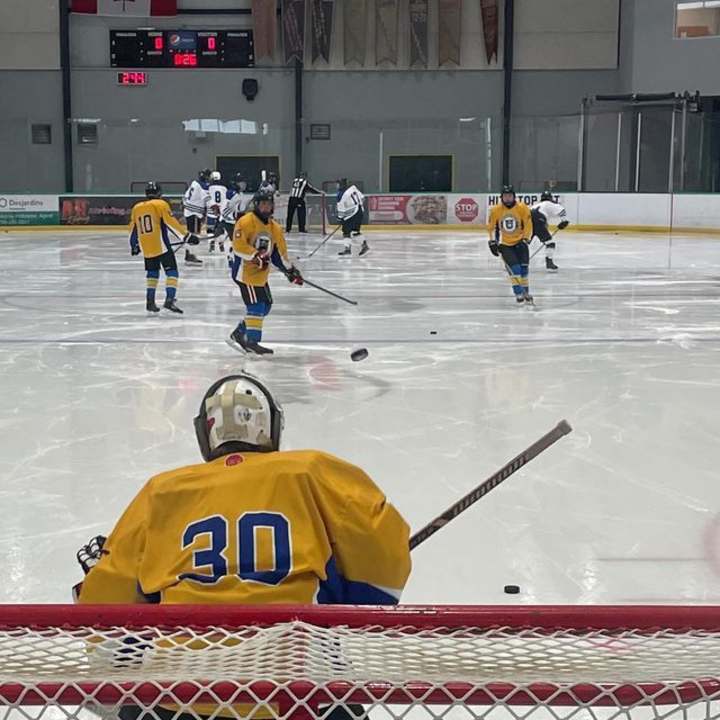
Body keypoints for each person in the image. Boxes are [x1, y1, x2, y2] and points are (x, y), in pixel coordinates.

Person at [76, 372, 411, 606]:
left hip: (184, 694)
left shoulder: (163, 491)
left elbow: (107, 620)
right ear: (272, 426)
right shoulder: (311, 471)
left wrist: (101, 581)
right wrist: (343, 592)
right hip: (297, 688)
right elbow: (384, 561)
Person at [227, 189, 304, 355]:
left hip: (260, 275)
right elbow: (238, 247)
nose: (265, 208)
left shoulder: (275, 228)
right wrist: (255, 255)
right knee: (256, 306)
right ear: (256, 205)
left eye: (268, 204)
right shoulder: (245, 222)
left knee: (266, 306)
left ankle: (240, 332)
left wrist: (290, 271)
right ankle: (251, 342)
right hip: (245, 273)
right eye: (262, 204)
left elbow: (278, 254)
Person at [129, 181, 200, 314]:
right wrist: (187, 237)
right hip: (161, 245)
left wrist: (134, 245)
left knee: (152, 273)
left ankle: (150, 301)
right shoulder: (161, 204)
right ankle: (169, 299)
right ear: (159, 193)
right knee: (172, 272)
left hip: (146, 246)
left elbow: (133, 228)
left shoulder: (137, 207)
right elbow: (171, 223)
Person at [487, 185, 534, 304]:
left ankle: (526, 291)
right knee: (515, 269)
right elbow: (491, 227)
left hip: (520, 242)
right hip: (505, 245)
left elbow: (528, 224)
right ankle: (518, 293)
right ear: (501, 197)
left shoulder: (522, 208)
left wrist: (526, 239)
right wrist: (492, 242)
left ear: (514, 197)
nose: (507, 198)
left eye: (510, 196)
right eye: (505, 196)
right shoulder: (495, 210)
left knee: (524, 269)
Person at [531, 190, 570, 272]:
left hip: (528, 219)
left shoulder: (535, 205)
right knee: (550, 243)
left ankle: (514, 261)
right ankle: (549, 263)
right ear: (550, 198)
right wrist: (564, 221)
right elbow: (561, 210)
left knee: (524, 242)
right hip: (539, 219)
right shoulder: (549, 204)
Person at [182, 169, 209, 266]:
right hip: (195, 213)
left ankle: (188, 254)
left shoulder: (194, 183)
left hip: (189, 212)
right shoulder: (203, 186)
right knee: (194, 235)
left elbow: (185, 197)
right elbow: (208, 200)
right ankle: (190, 255)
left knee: (190, 234)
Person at [336, 179, 368, 257]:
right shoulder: (353, 188)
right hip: (359, 211)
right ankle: (364, 246)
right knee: (355, 231)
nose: (336, 186)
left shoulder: (340, 194)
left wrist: (340, 218)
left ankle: (347, 249)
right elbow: (363, 199)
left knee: (346, 232)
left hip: (351, 214)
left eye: (338, 184)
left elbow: (341, 209)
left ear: (341, 185)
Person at [206, 170, 227, 254]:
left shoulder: (209, 187)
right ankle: (221, 244)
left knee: (210, 230)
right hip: (221, 212)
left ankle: (211, 244)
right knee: (220, 230)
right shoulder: (224, 188)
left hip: (211, 211)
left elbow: (207, 199)